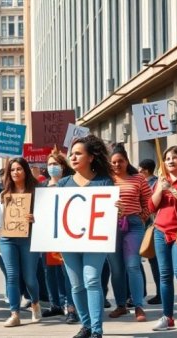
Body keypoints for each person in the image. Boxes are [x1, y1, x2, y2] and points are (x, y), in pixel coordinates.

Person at [56, 135, 114, 338]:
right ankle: (86, 326)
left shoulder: (104, 182)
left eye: (78, 153)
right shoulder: (62, 183)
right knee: (77, 285)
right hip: (68, 241)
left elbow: (110, 215)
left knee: (91, 280)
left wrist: (118, 210)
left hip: (95, 241)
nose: (72, 157)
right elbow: (55, 213)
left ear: (90, 157)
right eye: (71, 154)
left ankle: (97, 330)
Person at [148, 145, 177, 332]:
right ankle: (167, 317)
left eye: (175, 157)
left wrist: (173, 190)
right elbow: (151, 207)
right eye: (167, 158)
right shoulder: (161, 180)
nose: (171, 161)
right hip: (160, 232)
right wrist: (160, 189)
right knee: (164, 275)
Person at [0, 157, 42, 327]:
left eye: (19, 169)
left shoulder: (36, 192)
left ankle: (35, 302)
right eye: (12, 170)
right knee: (12, 276)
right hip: (7, 239)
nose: (15, 172)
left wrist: (35, 218)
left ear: (25, 171)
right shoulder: (4, 194)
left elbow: (46, 215)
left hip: (29, 238)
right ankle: (15, 313)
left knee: (29, 278)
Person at [107, 144, 151, 322]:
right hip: (110, 227)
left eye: (121, 161)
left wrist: (141, 217)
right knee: (116, 270)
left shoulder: (138, 178)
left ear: (126, 161)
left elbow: (149, 202)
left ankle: (138, 306)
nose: (117, 165)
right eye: (114, 162)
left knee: (132, 266)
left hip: (133, 225)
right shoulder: (105, 180)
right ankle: (121, 305)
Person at [40, 151, 79, 324]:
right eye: (49, 164)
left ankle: (71, 307)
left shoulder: (71, 185)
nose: (52, 167)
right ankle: (55, 303)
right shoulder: (41, 188)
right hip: (47, 234)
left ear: (63, 166)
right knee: (49, 271)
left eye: (55, 164)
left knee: (67, 272)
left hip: (66, 234)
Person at [137, 158, 161, 305]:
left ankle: (161, 293)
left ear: (145, 170)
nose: (138, 172)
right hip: (149, 226)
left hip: (153, 226)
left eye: (140, 170)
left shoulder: (154, 184)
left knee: (156, 261)